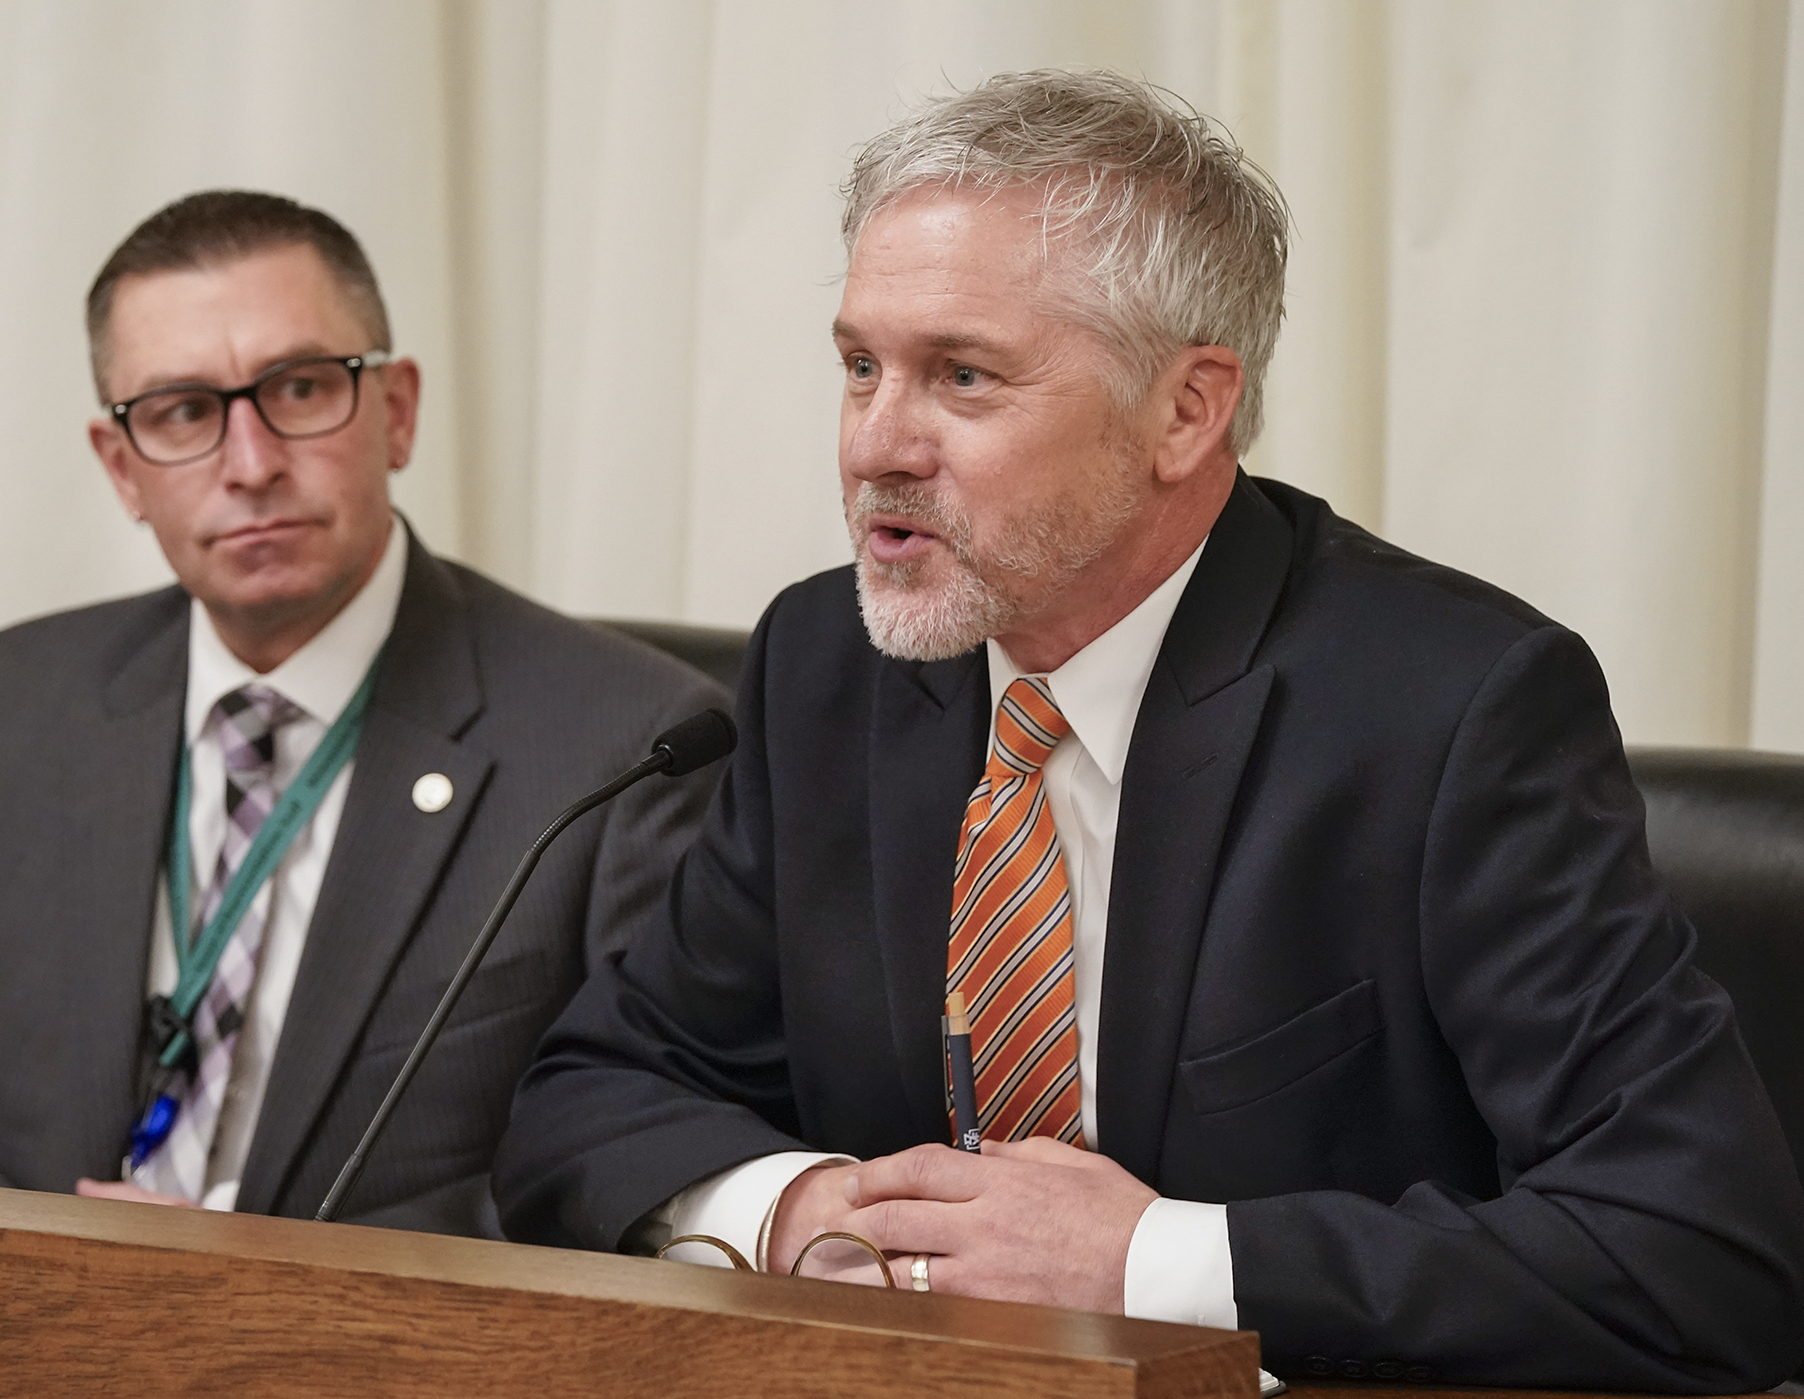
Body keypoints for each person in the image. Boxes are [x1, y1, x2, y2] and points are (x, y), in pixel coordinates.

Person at [492, 71, 1804, 1388]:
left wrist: (1150, 1262)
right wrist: (809, 1211)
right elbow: (590, 1090)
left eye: (962, 375)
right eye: (858, 365)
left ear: (1186, 410)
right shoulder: (831, 666)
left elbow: (1698, 1253)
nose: (876, 444)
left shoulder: (1448, 708)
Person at [0, 191, 728, 1235]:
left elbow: (635, 1155)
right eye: (181, 412)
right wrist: (43, 1258)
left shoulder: (628, 746)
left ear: (395, 411)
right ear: (121, 468)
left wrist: (245, 1281)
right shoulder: (4, 711)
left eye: (301, 389)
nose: (253, 464)